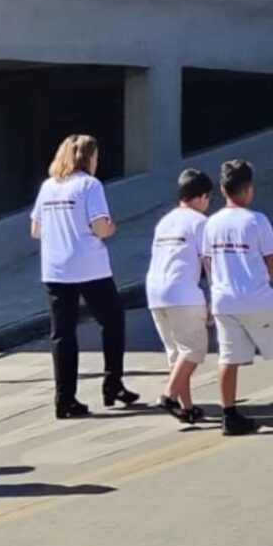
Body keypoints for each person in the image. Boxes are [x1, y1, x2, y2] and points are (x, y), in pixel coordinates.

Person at [33, 133, 134, 417]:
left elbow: (36, 230)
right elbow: (100, 227)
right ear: (88, 157)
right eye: (96, 156)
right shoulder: (89, 185)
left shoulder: (48, 187)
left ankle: (64, 398)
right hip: (89, 266)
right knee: (112, 320)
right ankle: (112, 382)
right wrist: (111, 228)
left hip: (55, 269)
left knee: (62, 334)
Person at [204, 159, 273, 436]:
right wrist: (265, 277)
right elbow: (272, 258)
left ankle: (229, 414)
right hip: (256, 298)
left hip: (223, 299)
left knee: (228, 357)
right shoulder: (256, 220)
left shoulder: (211, 224)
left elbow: (207, 262)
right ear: (248, 188)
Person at [148, 168, 215, 424]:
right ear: (200, 197)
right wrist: (213, 298)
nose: (208, 204)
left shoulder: (164, 221)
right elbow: (208, 264)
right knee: (195, 349)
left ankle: (187, 407)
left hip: (155, 292)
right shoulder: (201, 223)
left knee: (176, 353)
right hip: (183, 294)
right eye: (208, 198)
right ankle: (168, 396)